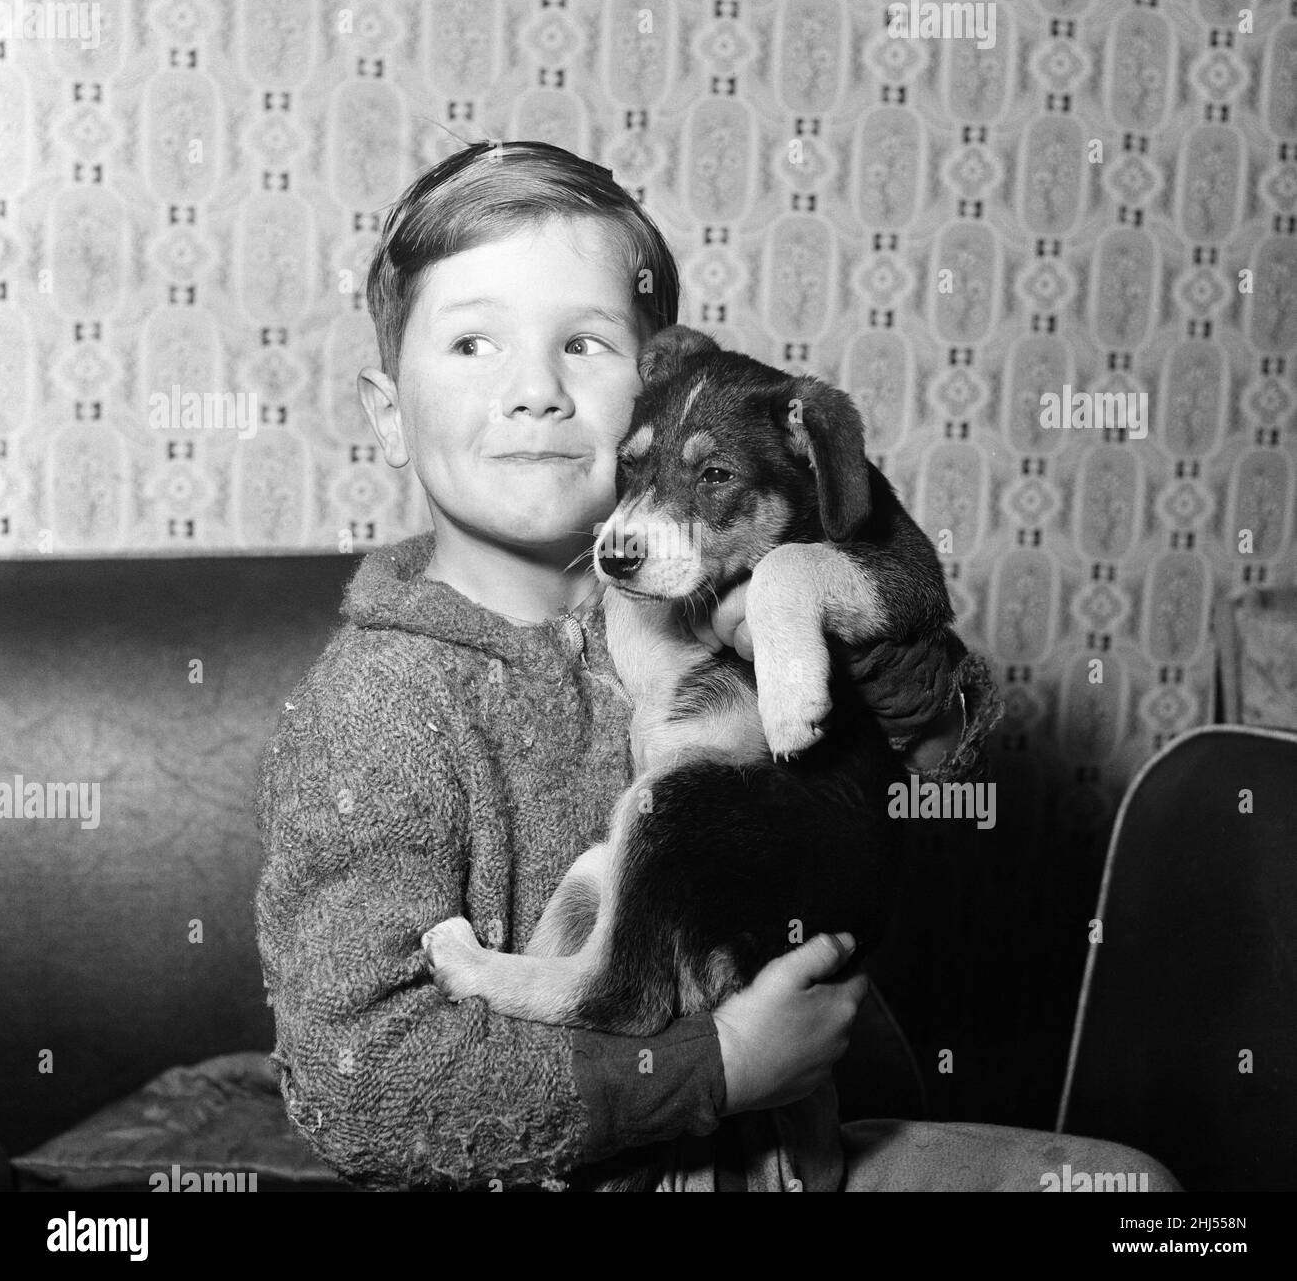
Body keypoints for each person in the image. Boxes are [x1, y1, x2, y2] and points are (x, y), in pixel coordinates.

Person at [253, 139, 1180, 1192]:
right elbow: (355, 1082)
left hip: (800, 1142)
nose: (536, 392)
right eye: (473, 344)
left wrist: (799, 585)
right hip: (584, 1167)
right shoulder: (380, 706)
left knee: (1128, 1190)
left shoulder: (713, 572)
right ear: (386, 413)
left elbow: (942, 735)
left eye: (585, 344)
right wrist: (715, 1067)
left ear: (662, 379)